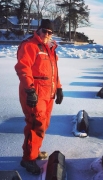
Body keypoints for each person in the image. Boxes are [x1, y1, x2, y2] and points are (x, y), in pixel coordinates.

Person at [14, 19, 63, 175]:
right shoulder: (29, 45)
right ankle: (28, 159)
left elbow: (53, 72)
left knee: (43, 125)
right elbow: (23, 68)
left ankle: (34, 152)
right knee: (36, 125)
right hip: (34, 94)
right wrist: (30, 90)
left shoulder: (50, 49)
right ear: (38, 30)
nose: (47, 35)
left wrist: (59, 88)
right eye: (44, 31)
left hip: (48, 94)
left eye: (50, 32)